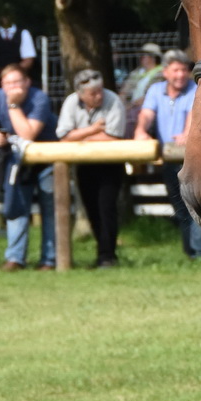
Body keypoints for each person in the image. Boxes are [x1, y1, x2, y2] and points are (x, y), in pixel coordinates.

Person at [0, 62, 58, 269]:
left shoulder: (39, 98)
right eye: (8, 83)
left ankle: (49, 259)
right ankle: (15, 258)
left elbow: (28, 134)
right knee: (16, 206)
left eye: (17, 82)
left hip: (47, 158)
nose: (12, 87)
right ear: (2, 84)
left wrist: (13, 105)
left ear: (27, 82)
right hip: (16, 162)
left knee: (50, 208)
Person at [134, 49, 201, 259]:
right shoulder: (155, 90)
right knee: (180, 206)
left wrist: (188, 134)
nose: (180, 75)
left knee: (195, 203)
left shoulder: (195, 90)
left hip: (192, 158)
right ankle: (190, 253)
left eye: (184, 70)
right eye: (176, 70)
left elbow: (193, 116)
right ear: (166, 72)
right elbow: (147, 114)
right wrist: (140, 131)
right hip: (169, 159)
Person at [57, 68, 127, 266]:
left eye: (100, 91)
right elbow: (63, 136)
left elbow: (113, 137)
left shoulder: (113, 100)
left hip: (110, 164)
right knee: (91, 209)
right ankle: (102, 253)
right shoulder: (71, 102)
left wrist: (79, 135)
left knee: (107, 209)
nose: (98, 96)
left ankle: (108, 256)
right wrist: (94, 130)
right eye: (92, 93)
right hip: (84, 165)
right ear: (80, 94)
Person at [0, 11, 36, 94]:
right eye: (3, 16)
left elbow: (28, 60)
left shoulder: (24, 33)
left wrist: (12, 72)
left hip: (18, 78)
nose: (5, 19)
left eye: (8, 15)